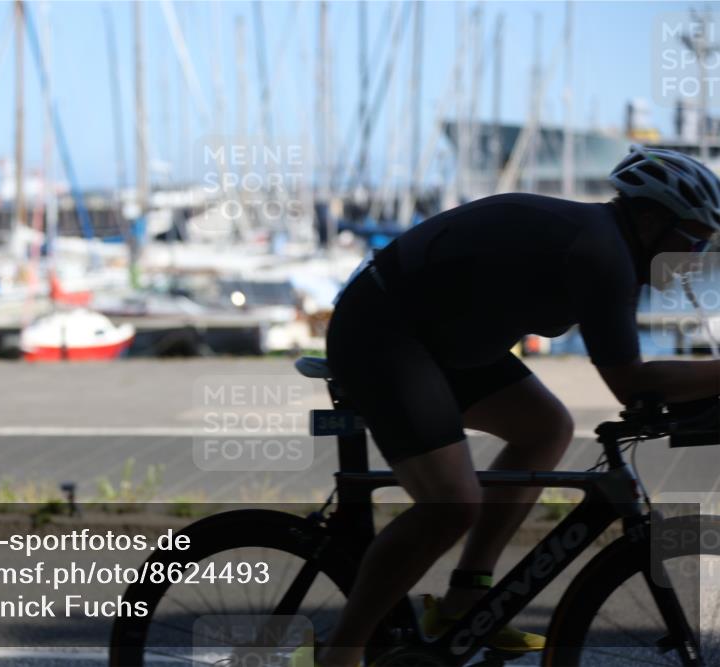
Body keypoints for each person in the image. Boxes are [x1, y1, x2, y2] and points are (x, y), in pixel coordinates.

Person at [297, 145, 720, 667]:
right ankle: (340, 653)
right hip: (383, 333)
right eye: (694, 239)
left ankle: (465, 599)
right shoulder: (601, 253)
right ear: (653, 220)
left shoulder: (615, 249)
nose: (697, 258)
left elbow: (650, 383)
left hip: (445, 343)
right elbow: (632, 383)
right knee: (452, 504)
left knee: (545, 429)